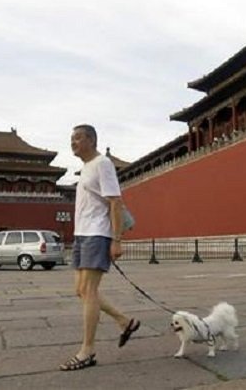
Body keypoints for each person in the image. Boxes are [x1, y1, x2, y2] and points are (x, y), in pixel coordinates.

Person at [59, 124, 141, 371]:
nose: (73, 142)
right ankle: (124, 321)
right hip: (82, 234)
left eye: (78, 138)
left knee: (90, 291)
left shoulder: (102, 163)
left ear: (91, 140)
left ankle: (87, 350)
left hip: (97, 234)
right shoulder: (85, 168)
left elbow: (115, 202)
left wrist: (116, 239)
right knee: (81, 291)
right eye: (71, 138)